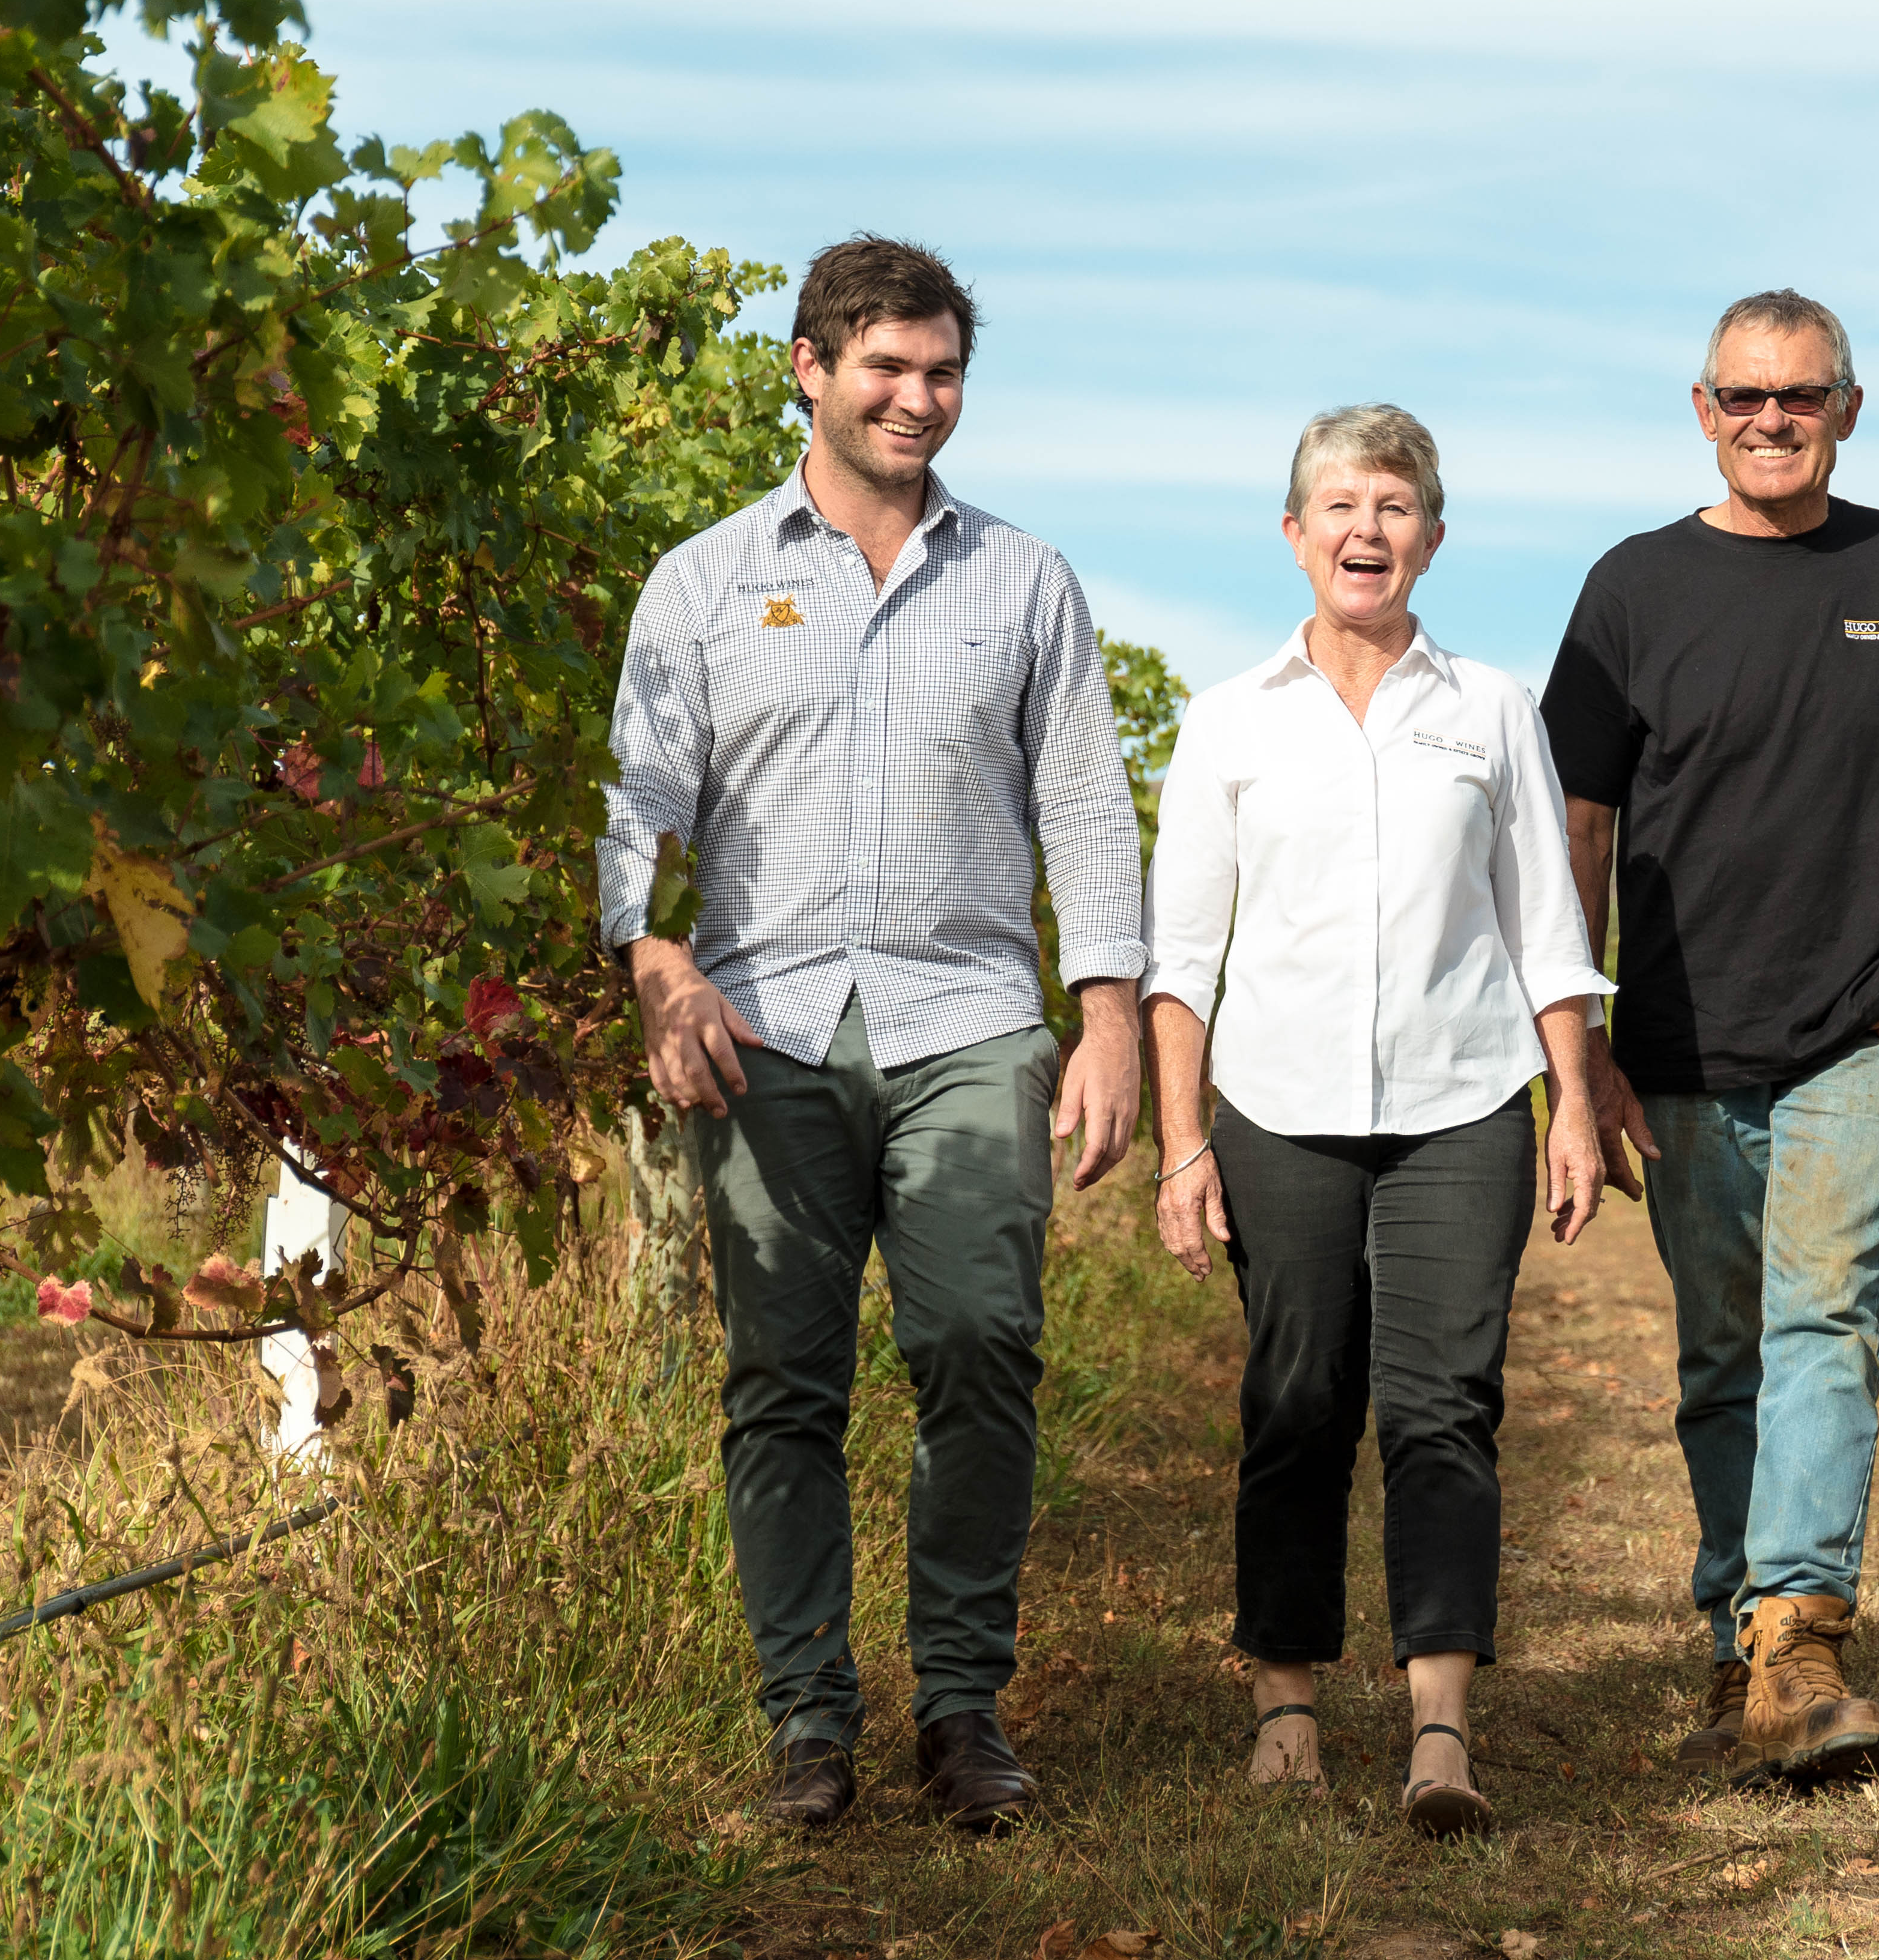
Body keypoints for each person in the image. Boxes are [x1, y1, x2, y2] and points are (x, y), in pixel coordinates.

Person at [599, 234, 1144, 1834]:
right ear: (812, 370)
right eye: (887, 369)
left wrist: (1104, 1019)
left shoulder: (1024, 583)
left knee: (979, 1342)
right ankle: (806, 1720)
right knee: (783, 1376)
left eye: (942, 372)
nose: (918, 399)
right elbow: (643, 794)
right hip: (759, 1029)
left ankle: (963, 1707)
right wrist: (652, 959)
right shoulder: (704, 582)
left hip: (969, 1018)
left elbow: (1087, 811)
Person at [1541, 291, 1879, 1789]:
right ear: (1703, 410)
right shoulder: (1632, 588)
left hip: (1860, 1026)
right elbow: (1579, 821)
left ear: (1849, 407)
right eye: (1745, 398)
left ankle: (1805, 1637)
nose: (1773, 420)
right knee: (1721, 1355)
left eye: (1801, 397)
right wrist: (1588, 1042)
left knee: (1825, 1325)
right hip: (1683, 1042)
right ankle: (1736, 1635)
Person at [1145, 405, 1612, 1839]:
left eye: (1397, 505)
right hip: (1275, 1112)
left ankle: (1440, 1732)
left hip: (1461, 1106)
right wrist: (1181, 1144)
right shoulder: (1228, 722)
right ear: (1294, 538)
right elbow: (1183, 958)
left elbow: (1548, 928)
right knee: (1295, 1404)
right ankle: (1286, 1702)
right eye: (1340, 506)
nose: (1368, 530)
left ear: (1434, 537)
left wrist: (1573, 1109)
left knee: (1443, 1410)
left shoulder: (1489, 714)